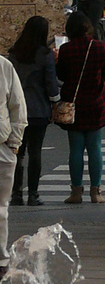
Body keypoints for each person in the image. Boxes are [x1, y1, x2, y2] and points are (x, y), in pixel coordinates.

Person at [56, 11, 105, 204]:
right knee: (95, 147)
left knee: (76, 149)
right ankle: (96, 192)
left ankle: (76, 191)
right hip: (96, 103)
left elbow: (61, 75)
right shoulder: (101, 48)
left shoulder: (66, 50)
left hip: (74, 104)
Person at [7, 16, 55, 207]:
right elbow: (51, 84)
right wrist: (56, 102)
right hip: (38, 109)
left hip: (17, 109)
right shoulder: (45, 55)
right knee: (36, 152)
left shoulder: (15, 53)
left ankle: (16, 193)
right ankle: (33, 194)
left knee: (18, 152)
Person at [0, 40, 24, 268]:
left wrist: (13, 144)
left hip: (1, 146)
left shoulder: (3, 67)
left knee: (0, 209)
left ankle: (0, 259)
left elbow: (17, 105)